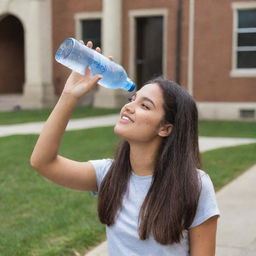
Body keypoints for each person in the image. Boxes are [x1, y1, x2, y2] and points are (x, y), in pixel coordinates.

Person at [30, 41, 220, 256]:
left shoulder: (195, 185)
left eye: (144, 106)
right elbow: (42, 162)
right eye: (133, 99)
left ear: (165, 128)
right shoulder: (108, 175)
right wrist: (69, 95)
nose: (129, 107)